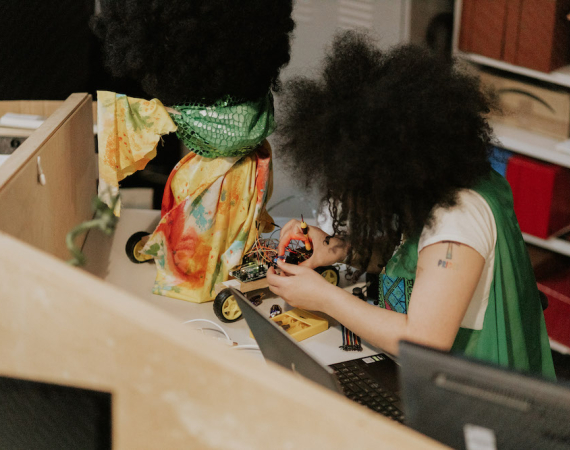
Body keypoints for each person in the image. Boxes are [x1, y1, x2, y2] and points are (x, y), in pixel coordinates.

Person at [267, 30, 556, 379]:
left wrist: (324, 298)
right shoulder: (441, 184)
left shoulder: (456, 222)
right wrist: (339, 249)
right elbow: (416, 263)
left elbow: (424, 340)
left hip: (472, 400)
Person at [91, 0, 294, 303]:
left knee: (205, 231)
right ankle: (194, 260)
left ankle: (203, 272)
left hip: (224, 178)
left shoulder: (224, 115)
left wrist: (167, 114)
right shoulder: (253, 101)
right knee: (201, 224)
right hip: (236, 174)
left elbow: (227, 138)